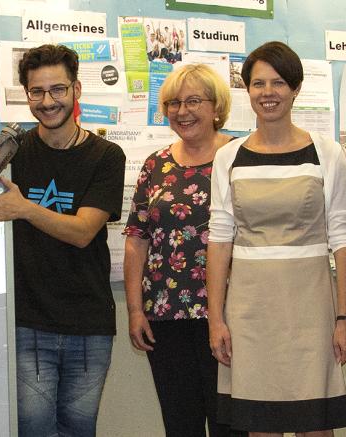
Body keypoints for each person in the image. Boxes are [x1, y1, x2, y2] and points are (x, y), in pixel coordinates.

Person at [0, 44, 126, 437]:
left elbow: (83, 232)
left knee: (80, 429)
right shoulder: (12, 149)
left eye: (58, 90)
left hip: (89, 323)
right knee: (33, 429)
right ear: (27, 95)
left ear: (77, 90)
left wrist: (24, 208)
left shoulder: (107, 156)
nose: (48, 102)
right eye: (37, 92)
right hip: (28, 322)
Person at [205, 41, 346, 436]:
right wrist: (216, 318)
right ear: (247, 90)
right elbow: (220, 242)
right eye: (258, 84)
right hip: (250, 312)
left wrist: (344, 317)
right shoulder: (228, 157)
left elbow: (342, 238)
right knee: (261, 426)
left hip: (311, 308)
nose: (267, 93)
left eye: (277, 83)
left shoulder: (327, 153)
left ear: (295, 88)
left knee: (315, 426)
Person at [122, 64, 239, 437]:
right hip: (166, 317)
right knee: (180, 424)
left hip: (230, 316)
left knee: (232, 426)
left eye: (193, 101)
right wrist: (135, 310)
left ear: (216, 106)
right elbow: (136, 239)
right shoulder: (156, 164)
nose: (182, 111)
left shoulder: (242, 157)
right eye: (173, 102)